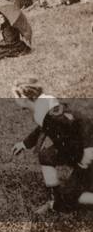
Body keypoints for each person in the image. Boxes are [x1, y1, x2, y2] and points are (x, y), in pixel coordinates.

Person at [12, 80, 93, 213]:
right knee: (46, 155)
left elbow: (84, 122)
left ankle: (60, 201)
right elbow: (43, 128)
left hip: (87, 155)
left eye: (15, 96)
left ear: (24, 98)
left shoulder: (51, 112)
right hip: (76, 151)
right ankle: (56, 198)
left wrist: (89, 149)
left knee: (70, 198)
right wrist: (25, 144)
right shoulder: (43, 107)